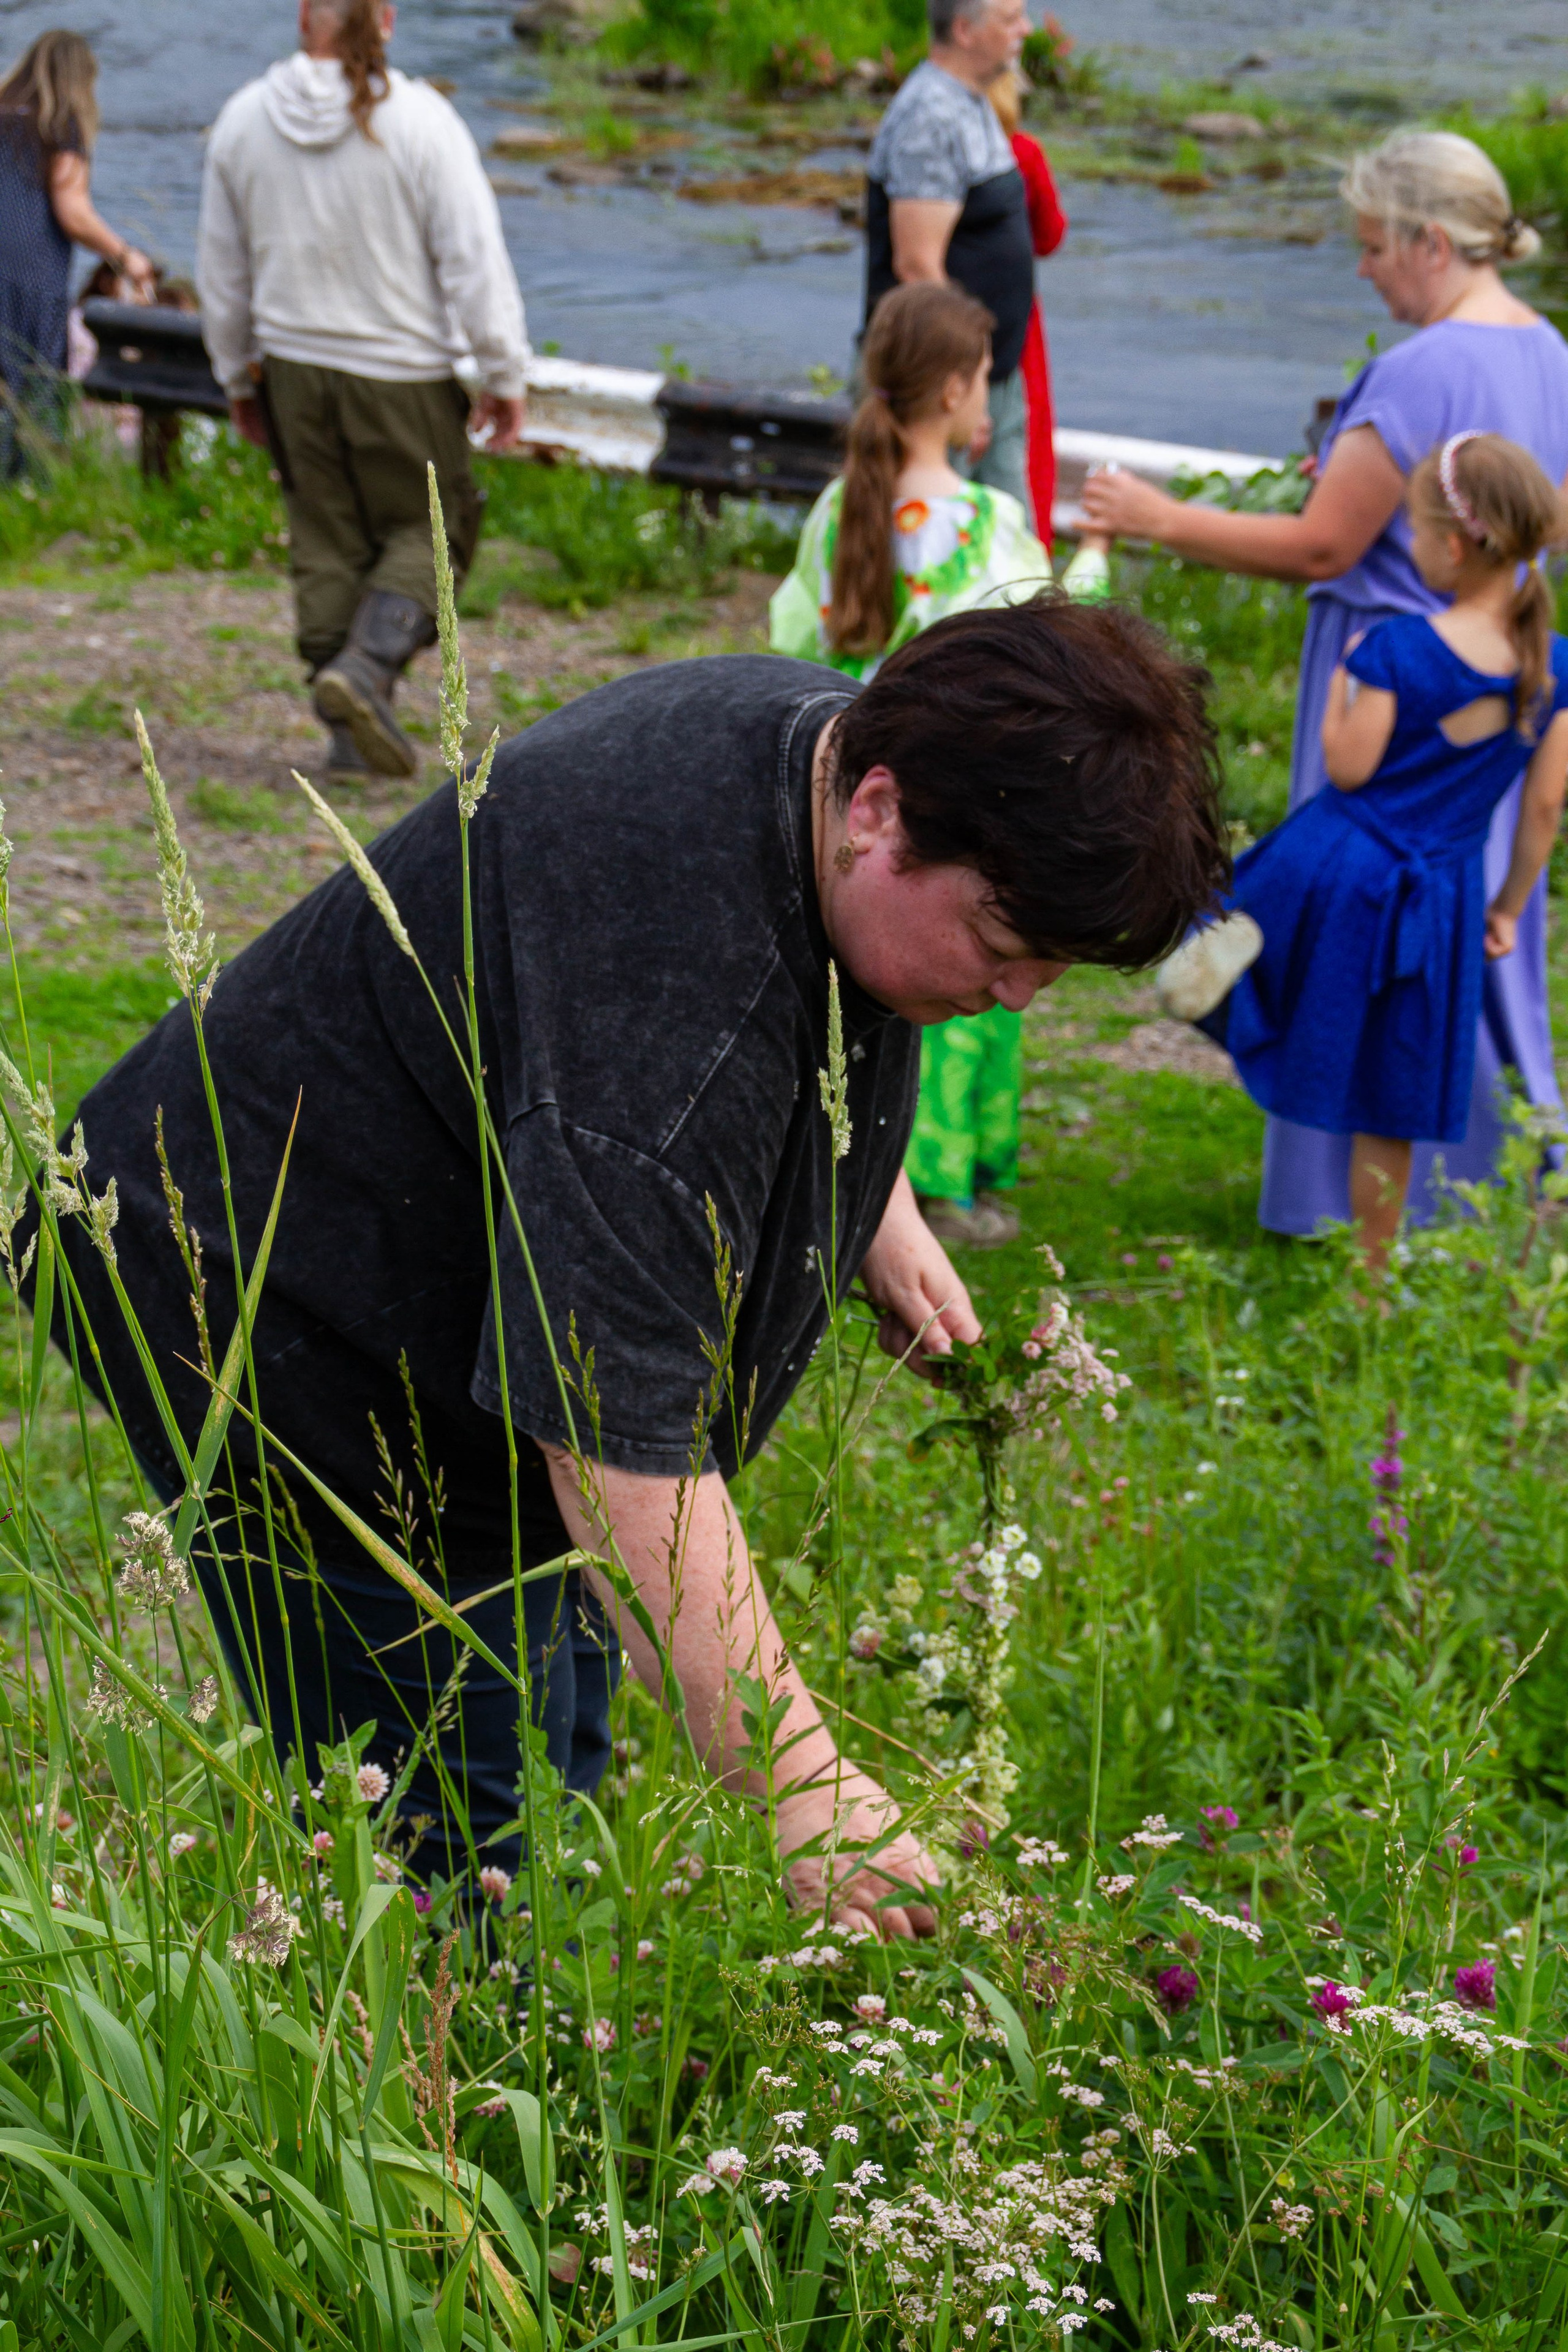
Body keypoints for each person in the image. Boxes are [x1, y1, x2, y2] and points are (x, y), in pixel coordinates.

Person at [40, 611, 1228, 1934]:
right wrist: (803, 1786)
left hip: (439, 1233)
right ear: (879, 813)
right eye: (1003, 953)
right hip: (257, 1299)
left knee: (555, 1710)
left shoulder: (843, 739)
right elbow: (619, 1458)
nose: (1012, 1001)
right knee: (452, 1813)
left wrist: (870, 1200)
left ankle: (527, 1959)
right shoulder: (663, 1014)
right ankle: (438, 2063)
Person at [1082, 129, 1568, 1236]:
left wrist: (1157, 520)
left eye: (1370, 248)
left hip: (1393, 689)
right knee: (1469, 925)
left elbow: (1321, 548)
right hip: (1497, 696)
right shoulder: (1550, 351)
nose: (1362, 271)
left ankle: (1326, 1187)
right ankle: (1503, 1171)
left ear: (1430, 242)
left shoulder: (1420, 367)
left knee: (1353, 923)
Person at [1202, 435, 1568, 1276]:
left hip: (1347, 870)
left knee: (1261, 949)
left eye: (1410, 525)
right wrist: (1508, 907)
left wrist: (1339, 689)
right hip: (1442, 894)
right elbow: (1543, 807)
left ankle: (1234, 987)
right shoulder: (1551, 669)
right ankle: (1374, 1267)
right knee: (1396, 1083)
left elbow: (1348, 768)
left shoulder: (1393, 652)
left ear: (1451, 544)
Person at [770, 281, 1054, 1246]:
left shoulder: (838, 508)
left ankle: (845, 1161)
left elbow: (790, 634)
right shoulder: (985, 521)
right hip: (963, 785)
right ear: (948, 393)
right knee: (970, 976)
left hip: (851, 785)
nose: (990, 402)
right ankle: (944, 1186)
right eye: (984, 382)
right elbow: (1036, 642)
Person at [197, 0, 529, 782]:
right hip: (404, 372)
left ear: (305, 17)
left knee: (326, 538)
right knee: (432, 533)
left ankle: (347, 723)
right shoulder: (423, 121)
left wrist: (235, 371)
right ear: (384, 20)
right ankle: (369, 668)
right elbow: (472, 259)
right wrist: (503, 372)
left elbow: (222, 268)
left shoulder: (243, 120)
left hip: (293, 372)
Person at [864, 0, 1036, 522]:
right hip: (942, 387)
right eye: (1010, 19)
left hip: (985, 377)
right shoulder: (930, 116)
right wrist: (963, 385)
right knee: (938, 557)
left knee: (1010, 556)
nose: (1025, 30)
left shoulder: (971, 100)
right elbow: (917, 265)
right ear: (964, 30)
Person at [0, 30, 155, 477]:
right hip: (30, 279)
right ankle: (29, 494)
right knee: (35, 398)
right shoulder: (60, 124)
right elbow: (73, 210)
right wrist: (126, 256)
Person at [989, 67, 1067, 538]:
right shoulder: (1023, 153)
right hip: (1018, 319)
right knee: (1028, 432)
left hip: (950, 316)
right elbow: (1051, 235)